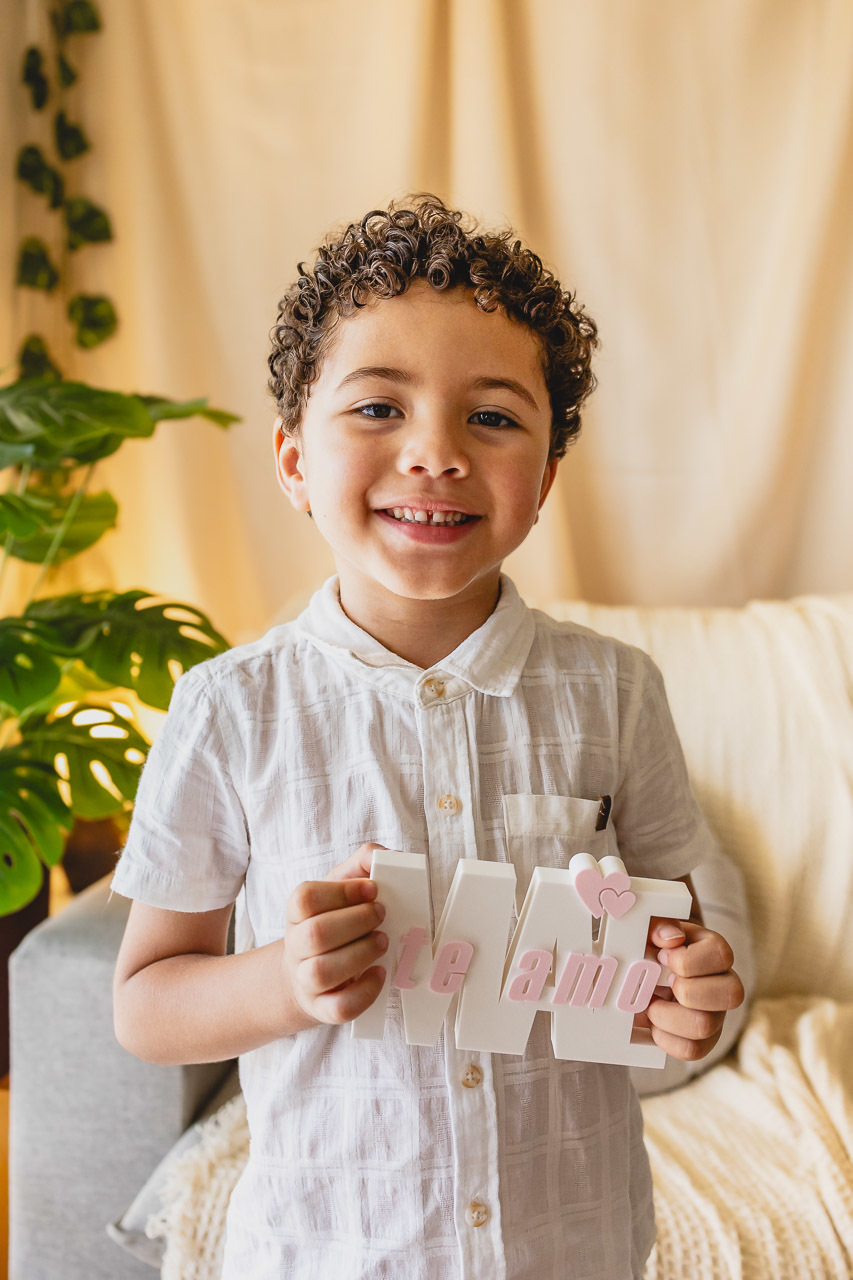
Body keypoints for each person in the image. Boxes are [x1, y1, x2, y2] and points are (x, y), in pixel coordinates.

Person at [111, 193, 744, 1280]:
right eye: (376, 409)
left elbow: (681, 942)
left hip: (573, 1242)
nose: (435, 453)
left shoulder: (617, 692)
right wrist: (280, 980)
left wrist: (691, 1003)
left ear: (543, 479)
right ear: (294, 460)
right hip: (332, 1247)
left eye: (492, 417)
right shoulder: (228, 708)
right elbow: (145, 1001)